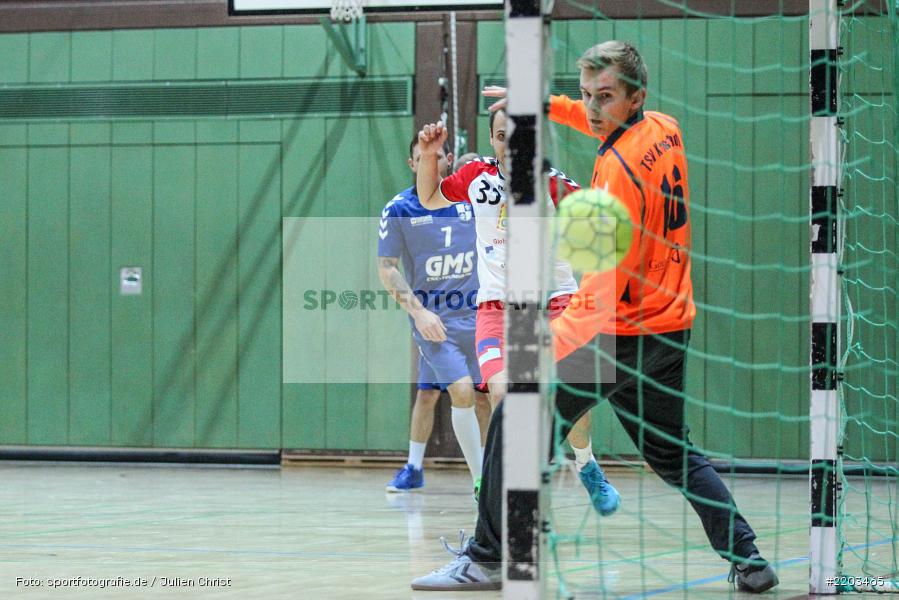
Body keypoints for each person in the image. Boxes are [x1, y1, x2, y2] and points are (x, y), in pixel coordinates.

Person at [409, 41, 779, 593]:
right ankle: (748, 558)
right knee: (672, 452)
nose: (594, 107)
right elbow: (593, 121)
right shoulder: (665, 128)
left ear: (635, 98)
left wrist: (547, 344)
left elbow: (600, 295)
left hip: (614, 333)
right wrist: (548, 102)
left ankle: (487, 557)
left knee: (513, 419)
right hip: (670, 328)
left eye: (605, 97)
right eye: (587, 95)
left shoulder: (614, 176)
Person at [414, 108, 620, 517]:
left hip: (555, 303)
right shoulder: (477, 177)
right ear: (492, 140)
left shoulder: (556, 185)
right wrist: (429, 154)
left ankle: (586, 465)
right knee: (504, 396)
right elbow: (429, 196)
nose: (510, 145)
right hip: (497, 308)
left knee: (572, 392)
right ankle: (507, 490)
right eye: (501, 136)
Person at [379, 135, 490, 495]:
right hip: (434, 323)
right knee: (447, 392)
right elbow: (387, 268)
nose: (432, 161)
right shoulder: (400, 209)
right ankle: (419, 468)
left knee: (485, 394)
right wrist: (419, 313)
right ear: (412, 164)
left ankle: (491, 469)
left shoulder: (470, 200)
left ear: (449, 160)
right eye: (423, 157)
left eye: (439, 156)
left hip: (478, 317)